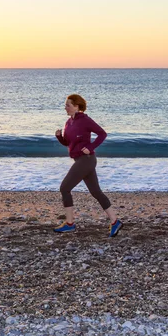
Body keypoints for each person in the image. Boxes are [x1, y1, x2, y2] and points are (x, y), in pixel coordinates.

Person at [54, 94, 122, 237]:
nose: (65, 107)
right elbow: (68, 143)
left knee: (64, 188)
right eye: (65, 105)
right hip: (79, 160)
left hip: (87, 159)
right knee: (96, 192)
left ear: (77, 106)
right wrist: (59, 137)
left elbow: (102, 134)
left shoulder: (85, 120)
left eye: (68, 105)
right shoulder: (68, 122)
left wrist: (91, 147)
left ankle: (70, 224)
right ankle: (115, 221)